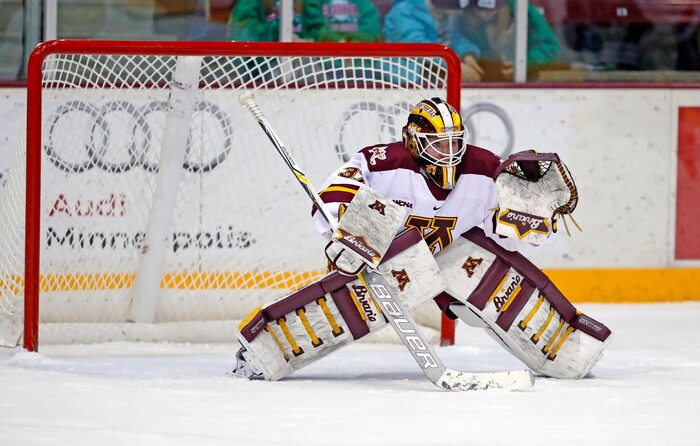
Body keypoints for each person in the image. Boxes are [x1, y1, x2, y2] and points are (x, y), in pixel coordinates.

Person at [233, 97, 612, 382]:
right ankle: (265, 350)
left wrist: (528, 218)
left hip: (452, 259)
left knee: (492, 277)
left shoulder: (485, 170)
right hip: (385, 259)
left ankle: (566, 348)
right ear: (414, 142)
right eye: (438, 143)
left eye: (454, 142)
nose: (449, 153)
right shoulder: (381, 163)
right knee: (351, 294)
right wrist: (344, 231)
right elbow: (331, 198)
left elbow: (509, 240)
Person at [457, 0, 560, 81]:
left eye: (489, 10)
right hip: (479, 80)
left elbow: (548, 44)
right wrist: (463, 57)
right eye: (478, 10)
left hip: (523, 82)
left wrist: (526, 64)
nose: (483, 14)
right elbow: (451, 36)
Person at [382, 0, 478, 83]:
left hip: (438, 65)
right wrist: (451, 64)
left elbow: (452, 36)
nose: (455, 12)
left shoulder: (446, 9)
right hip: (405, 72)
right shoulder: (405, 10)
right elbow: (413, 44)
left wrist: (466, 53)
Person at [300, 0, 382, 43]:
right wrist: (336, 41)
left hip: (356, 60)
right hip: (322, 60)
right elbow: (314, 27)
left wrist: (353, 43)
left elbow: (371, 28)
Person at [229, 0, 309, 42]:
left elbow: (311, 33)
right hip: (261, 61)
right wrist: (279, 33)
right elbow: (241, 34)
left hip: (298, 60)